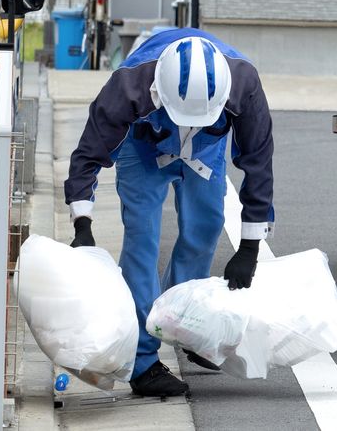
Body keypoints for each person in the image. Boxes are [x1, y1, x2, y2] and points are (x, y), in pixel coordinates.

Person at [64, 28, 275, 397]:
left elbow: (258, 164)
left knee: (206, 225)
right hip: (144, 145)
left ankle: (184, 326)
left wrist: (250, 247)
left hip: (205, 147)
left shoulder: (243, 84)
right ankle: (143, 363)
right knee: (142, 236)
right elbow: (88, 155)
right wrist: (83, 224)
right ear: (158, 92)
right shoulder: (128, 85)